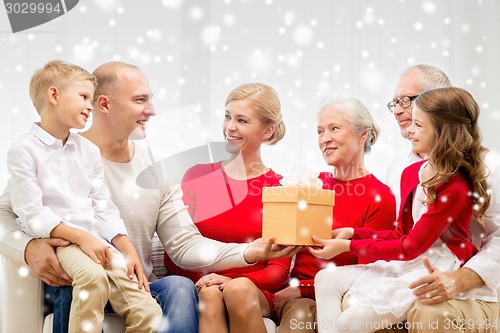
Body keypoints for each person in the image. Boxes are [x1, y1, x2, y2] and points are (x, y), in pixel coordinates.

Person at [0, 62, 298, 333]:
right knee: (83, 286)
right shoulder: (54, 153)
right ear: (104, 104)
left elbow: (184, 245)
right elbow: (6, 215)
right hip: (76, 278)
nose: (153, 110)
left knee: (180, 287)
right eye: (141, 100)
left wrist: (250, 253)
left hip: (134, 282)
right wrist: (28, 247)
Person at [311, 87, 491, 333]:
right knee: (326, 279)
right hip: (409, 260)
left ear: (442, 131)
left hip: (435, 266)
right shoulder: (410, 174)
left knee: (350, 323)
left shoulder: (455, 187)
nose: (409, 131)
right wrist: (355, 233)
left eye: (418, 125)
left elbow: (411, 246)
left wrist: (348, 246)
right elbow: (400, 234)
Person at [6, 60, 162, 333]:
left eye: (91, 98)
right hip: (65, 243)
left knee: (148, 311)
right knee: (92, 280)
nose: (89, 105)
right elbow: (31, 213)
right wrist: (82, 238)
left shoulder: (88, 151)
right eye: (83, 97)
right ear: (54, 96)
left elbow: (103, 205)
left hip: (98, 243)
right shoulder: (23, 151)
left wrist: (125, 247)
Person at [163, 82, 292, 333]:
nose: (230, 127)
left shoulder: (280, 189)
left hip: (254, 290)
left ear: (267, 131)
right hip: (203, 286)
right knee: (211, 295)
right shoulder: (198, 176)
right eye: (227, 116)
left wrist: (230, 280)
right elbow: (174, 254)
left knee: (237, 289)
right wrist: (205, 282)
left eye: (242, 120)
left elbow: (278, 269)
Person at [383, 64, 500, 333]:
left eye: (406, 101)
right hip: (412, 279)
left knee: (430, 313)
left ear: (440, 103)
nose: (398, 110)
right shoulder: (399, 167)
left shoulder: (489, 166)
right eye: (394, 103)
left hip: (475, 292)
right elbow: (400, 234)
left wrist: (459, 280)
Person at [273, 97, 396, 333]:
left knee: (301, 313)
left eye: (334, 128)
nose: (324, 139)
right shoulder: (312, 185)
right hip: (290, 288)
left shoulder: (380, 196)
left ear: (362, 135)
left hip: (331, 295)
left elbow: (368, 274)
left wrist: (303, 289)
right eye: (320, 131)